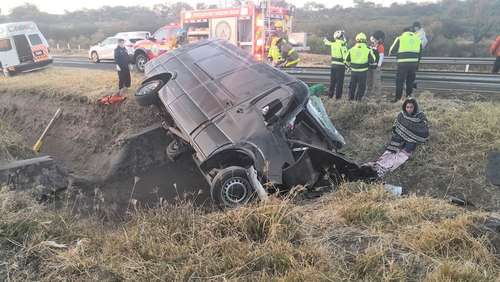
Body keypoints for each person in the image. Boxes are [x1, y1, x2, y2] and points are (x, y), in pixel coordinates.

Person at [365, 98, 429, 178]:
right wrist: (400, 133)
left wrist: (412, 135)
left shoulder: (420, 116)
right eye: (407, 107)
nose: (409, 109)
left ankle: (386, 168)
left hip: (413, 139)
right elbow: (396, 125)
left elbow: (424, 129)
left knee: (404, 153)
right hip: (400, 136)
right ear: (404, 107)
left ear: (415, 107)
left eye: (411, 107)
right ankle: (379, 165)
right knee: (391, 150)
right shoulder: (402, 115)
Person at [389, 28, 422, 102]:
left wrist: (398, 54)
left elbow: (392, 51)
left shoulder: (400, 38)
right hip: (413, 64)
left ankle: (398, 99)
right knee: (410, 81)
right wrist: (417, 65)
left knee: (400, 81)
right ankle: (409, 98)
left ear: (403, 32)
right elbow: (420, 54)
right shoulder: (418, 39)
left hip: (402, 64)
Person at [345, 32, 376, 101]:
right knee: (361, 87)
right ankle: (358, 100)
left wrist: (349, 66)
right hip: (363, 72)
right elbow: (373, 60)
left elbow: (346, 59)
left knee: (352, 86)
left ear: (356, 40)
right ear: (365, 40)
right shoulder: (368, 50)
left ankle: (350, 99)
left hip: (353, 72)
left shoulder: (351, 49)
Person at [323, 30, 348, 99]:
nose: (344, 37)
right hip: (340, 66)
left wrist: (325, 38)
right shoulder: (342, 44)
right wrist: (348, 66)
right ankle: (338, 98)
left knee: (332, 82)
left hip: (333, 65)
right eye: (342, 36)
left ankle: (330, 96)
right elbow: (345, 57)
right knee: (339, 83)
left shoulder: (333, 44)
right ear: (340, 37)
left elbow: (326, 42)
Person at [367, 30, 385, 97]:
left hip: (376, 67)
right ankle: (369, 94)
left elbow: (381, 56)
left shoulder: (380, 46)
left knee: (376, 82)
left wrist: (379, 66)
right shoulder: (371, 45)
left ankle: (377, 95)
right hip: (369, 66)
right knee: (369, 81)